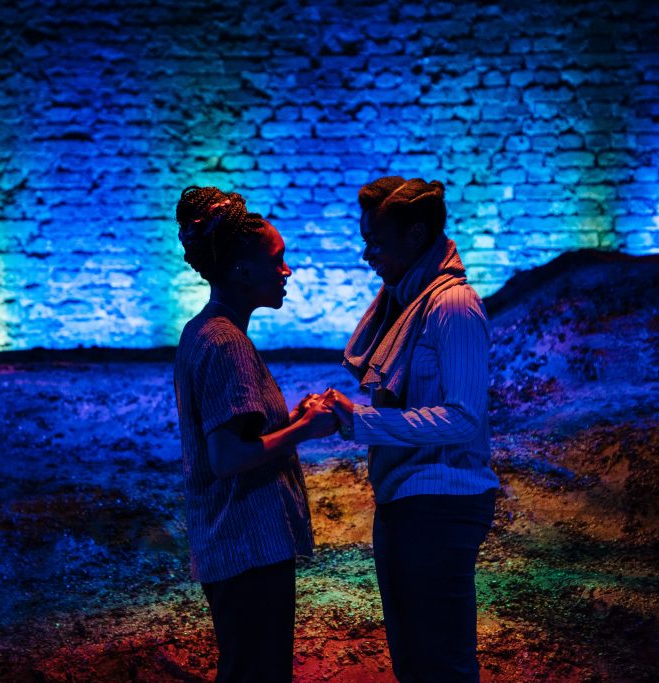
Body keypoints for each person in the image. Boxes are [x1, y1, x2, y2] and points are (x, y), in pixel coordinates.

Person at [324, 176, 499, 682]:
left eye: (376, 242)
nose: (366, 256)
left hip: (444, 503)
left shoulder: (452, 307)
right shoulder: (405, 302)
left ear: (416, 234)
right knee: (413, 661)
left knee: (442, 665)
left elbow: (464, 418)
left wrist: (362, 422)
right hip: (405, 499)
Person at [172, 186, 338, 683]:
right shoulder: (227, 344)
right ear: (242, 271)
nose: (286, 271)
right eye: (277, 260)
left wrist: (288, 420)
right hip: (246, 546)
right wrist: (305, 429)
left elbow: (234, 432)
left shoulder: (204, 331)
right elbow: (226, 456)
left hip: (232, 544)